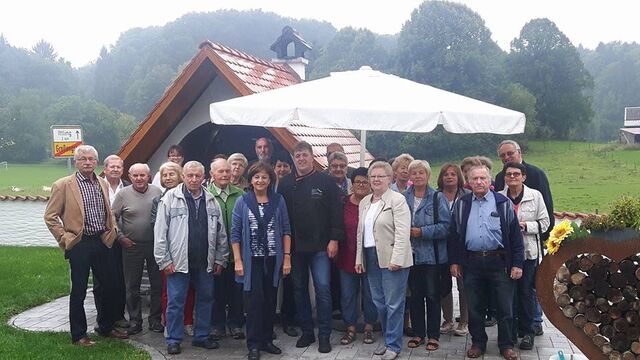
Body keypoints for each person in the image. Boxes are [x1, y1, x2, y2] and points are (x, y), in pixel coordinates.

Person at [44, 145, 129, 346]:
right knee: (79, 291)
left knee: (109, 287)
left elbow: (109, 212)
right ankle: (79, 334)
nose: (88, 162)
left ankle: (105, 327)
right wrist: (64, 238)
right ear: (76, 162)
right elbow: (50, 217)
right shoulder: (63, 185)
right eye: (83, 159)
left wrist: (112, 230)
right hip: (79, 243)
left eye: (91, 159)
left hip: (101, 241)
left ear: (96, 161)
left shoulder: (102, 183)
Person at [447, 165, 524, 360]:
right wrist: (455, 262)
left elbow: (515, 236)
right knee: (475, 307)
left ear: (490, 181)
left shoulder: (503, 202)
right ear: (469, 182)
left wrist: (517, 263)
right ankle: (478, 343)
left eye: (483, 178)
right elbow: (454, 235)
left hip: (499, 262)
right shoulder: (462, 204)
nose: (479, 182)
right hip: (471, 263)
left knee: (505, 307)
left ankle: (506, 345)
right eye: (475, 179)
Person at [154, 161, 229, 355]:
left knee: (206, 299)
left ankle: (201, 337)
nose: (194, 179)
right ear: (184, 176)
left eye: (198, 176)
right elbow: (160, 232)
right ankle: (173, 339)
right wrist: (164, 260)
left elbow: (221, 234)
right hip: (178, 263)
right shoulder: (170, 199)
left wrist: (221, 258)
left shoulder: (211, 200)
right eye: (190, 175)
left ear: (204, 177)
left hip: (205, 262)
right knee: (176, 302)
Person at [277, 141, 344, 353]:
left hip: (321, 246)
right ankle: (307, 331)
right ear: (293, 158)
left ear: (312, 156)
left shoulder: (325, 181)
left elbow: (336, 212)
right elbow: (281, 215)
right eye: (297, 156)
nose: (301, 159)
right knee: (299, 290)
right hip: (295, 247)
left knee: (323, 289)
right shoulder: (285, 183)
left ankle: (324, 335)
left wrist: (334, 239)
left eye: (304, 155)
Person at [230, 162, 292, 360]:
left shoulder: (278, 201)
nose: (260, 180)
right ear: (251, 180)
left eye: (264, 177)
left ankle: (267, 341)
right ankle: (253, 344)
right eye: (256, 177)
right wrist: (238, 260)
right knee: (255, 302)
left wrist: (287, 258)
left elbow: (286, 231)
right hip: (251, 261)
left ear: (270, 180)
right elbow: (235, 234)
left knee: (270, 300)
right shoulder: (243, 201)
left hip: (273, 259)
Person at [495, 139, 554, 336]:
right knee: (509, 293)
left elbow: (546, 214)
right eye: (502, 156)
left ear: (519, 152)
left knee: (528, 291)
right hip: (506, 251)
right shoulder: (498, 180)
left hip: (530, 247)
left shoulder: (536, 175)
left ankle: (532, 324)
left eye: (509, 153)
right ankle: (512, 329)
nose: (506, 158)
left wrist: (535, 232)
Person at [355, 161, 412, 360]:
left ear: (390, 179)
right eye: (373, 176)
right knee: (379, 303)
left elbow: (403, 232)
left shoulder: (397, 200)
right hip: (370, 257)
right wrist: (359, 258)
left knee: (394, 304)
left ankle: (393, 346)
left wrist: (396, 259)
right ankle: (389, 341)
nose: (376, 179)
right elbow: (360, 233)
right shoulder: (365, 202)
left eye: (381, 176)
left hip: (392, 258)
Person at [403, 160, 451, 352]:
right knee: (414, 296)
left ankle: (433, 335)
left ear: (428, 175)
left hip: (432, 256)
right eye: (413, 173)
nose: (417, 176)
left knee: (432, 295)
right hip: (409, 255)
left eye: (421, 172)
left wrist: (421, 232)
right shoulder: (403, 197)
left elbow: (446, 227)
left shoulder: (437, 198)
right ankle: (418, 333)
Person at [112, 163, 163, 334]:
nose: (139, 178)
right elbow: (112, 218)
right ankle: (135, 320)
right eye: (135, 175)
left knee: (157, 284)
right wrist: (120, 237)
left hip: (155, 246)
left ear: (149, 176)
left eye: (143, 175)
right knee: (132, 286)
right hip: (131, 246)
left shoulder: (157, 191)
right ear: (130, 176)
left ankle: (155, 320)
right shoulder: (122, 194)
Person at [150, 161, 197, 337]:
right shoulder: (159, 200)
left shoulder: (192, 196)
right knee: (169, 291)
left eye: (172, 174)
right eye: (164, 175)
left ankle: (187, 321)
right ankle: (169, 323)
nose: (168, 178)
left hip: (189, 252)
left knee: (190, 289)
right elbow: (156, 226)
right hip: (169, 253)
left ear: (180, 176)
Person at [336, 167, 377, 346]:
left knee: (370, 294)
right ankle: (350, 328)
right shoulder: (342, 202)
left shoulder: (375, 203)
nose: (361, 185)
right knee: (348, 294)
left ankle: (369, 327)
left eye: (364, 182)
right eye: (357, 182)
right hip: (347, 255)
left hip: (370, 257)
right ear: (351, 184)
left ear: (370, 184)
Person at [208, 158, 246, 341]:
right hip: (214, 255)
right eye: (220, 171)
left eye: (227, 171)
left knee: (236, 292)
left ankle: (236, 323)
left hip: (237, 255)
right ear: (212, 174)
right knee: (217, 292)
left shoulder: (241, 195)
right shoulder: (206, 195)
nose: (224, 174)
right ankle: (217, 325)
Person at [436, 163, 470, 336]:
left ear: (459, 177)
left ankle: (464, 321)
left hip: (461, 246)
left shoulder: (467, 196)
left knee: (463, 284)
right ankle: (448, 319)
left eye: (453, 174)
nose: (449, 177)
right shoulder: (435, 196)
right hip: (440, 245)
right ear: (441, 178)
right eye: (446, 174)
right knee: (443, 284)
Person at [99, 154, 128, 329]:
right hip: (103, 238)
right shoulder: (97, 186)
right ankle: (104, 317)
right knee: (102, 280)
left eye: (118, 167)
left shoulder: (128, 187)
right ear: (105, 169)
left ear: (123, 170)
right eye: (112, 167)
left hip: (124, 239)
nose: (115, 169)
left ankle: (119, 315)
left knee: (121, 278)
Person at [271, 150, 297, 336]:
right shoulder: (265, 185)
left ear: (291, 168)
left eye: (285, 166)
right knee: (270, 284)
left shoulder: (293, 186)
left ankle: (288, 320)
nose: (281, 169)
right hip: (270, 242)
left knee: (289, 283)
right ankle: (269, 321)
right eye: (278, 165)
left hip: (290, 241)